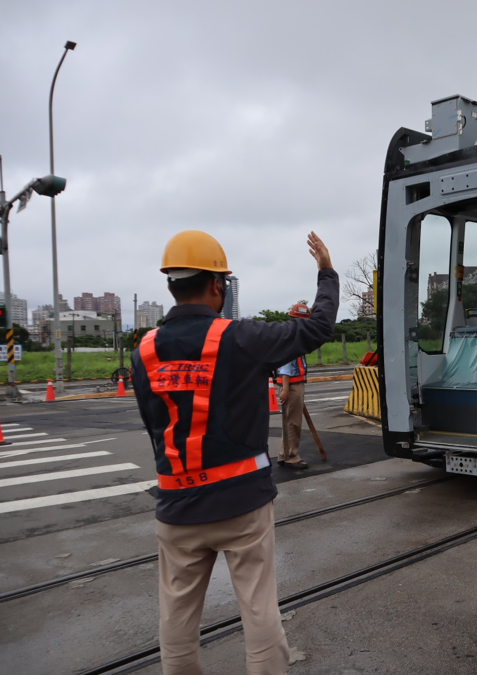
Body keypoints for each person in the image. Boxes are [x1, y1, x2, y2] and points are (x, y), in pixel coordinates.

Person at [131, 230, 339, 675]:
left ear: (170, 284)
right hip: (241, 504)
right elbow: (318, 328)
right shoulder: (243, 338)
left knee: (177, 618)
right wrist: (325, 272)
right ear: (217, 285)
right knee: (259, 611)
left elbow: (155, 426)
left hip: (177, 507)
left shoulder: (142, 352)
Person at [277, 303, 312, 470]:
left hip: (292, 383)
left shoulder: (290, 334)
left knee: (288, 421)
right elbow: (285, 365)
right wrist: (285, 388)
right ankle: (291, 456)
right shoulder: (292, 337)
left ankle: (284, 454)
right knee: (293, 422)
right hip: (292, 384)